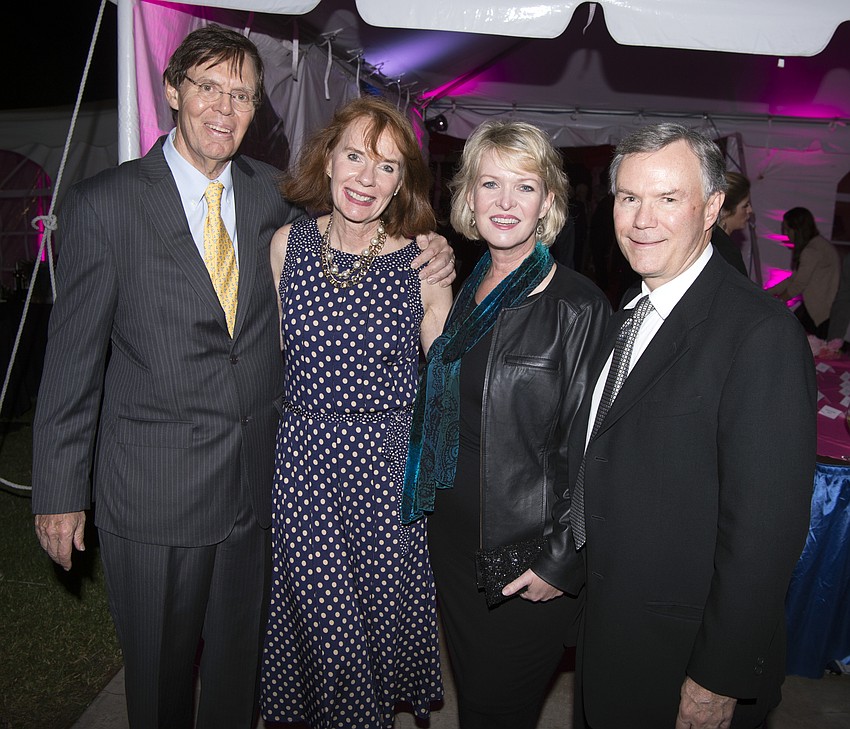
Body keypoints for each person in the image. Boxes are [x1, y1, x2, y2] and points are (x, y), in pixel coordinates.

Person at [30, 26, 453, 729]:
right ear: (172, 91)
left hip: (261, 495)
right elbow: (71, 360)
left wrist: (432, 244)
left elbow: (361, 236)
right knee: (162, 687)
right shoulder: (105, 205)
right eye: (208, 88)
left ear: (258, 108)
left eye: (243, 94)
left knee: (241, 681)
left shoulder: (275, 201)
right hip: (153, 496)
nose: (225, 109)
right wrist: (58, 491)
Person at [560, 123, 815, 728]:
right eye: (629, 198)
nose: (643, 219)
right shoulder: (630, 306)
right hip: (611, 633)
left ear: (712, 209)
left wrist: (717, 678)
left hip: (682, 657)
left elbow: (765, 531)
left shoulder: (759, 334)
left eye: (668, 199)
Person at [402, 120, 610, 729]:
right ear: (468, 196)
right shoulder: (471, 288)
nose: (505, 202)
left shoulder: (577, 305)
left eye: (525, 187)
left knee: (498, 710)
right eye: (490, 184)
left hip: (521, 557)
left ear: (548, 201)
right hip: (452, 541)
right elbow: (448, 370)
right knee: (477, 704)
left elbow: (597, 451)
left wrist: (561, 560)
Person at [260, 96, 453, 729]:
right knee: (329, 625)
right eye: (355, 157)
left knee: (370, 623)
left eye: (389, 167)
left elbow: (450, 374)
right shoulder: (286, 247)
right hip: (306, 463)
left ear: (404, 182)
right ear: (328, 159)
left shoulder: (421, 263)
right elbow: (278, 357)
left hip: (384, 471)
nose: (367, 180)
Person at [767, 206, 840, 338]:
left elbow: (799, 284)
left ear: (798, 230)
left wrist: (779, 301)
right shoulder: (817, 245)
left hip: (821, 311)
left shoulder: (812, 250)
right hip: (819, 309)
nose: (786, 234)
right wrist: (768, 293)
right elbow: (794, 279)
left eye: (788, 229)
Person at [712, 170, 750, 276]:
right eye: (745, 205)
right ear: (725, 211)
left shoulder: (713, 243)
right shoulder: (725, 250)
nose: (750, 210)